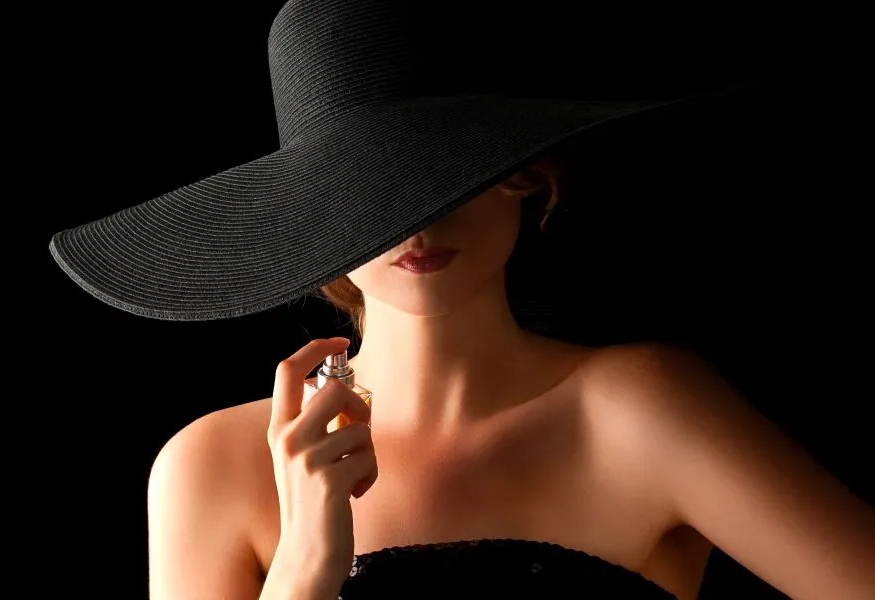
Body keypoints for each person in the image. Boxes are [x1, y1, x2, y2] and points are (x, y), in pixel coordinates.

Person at [47, 1, 875, 599]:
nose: (419, 222)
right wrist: (301, 566)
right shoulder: (214, 470)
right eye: (369, 190)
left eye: (452, 171)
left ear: (526, 174)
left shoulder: (642, 411)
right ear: (311, 218)